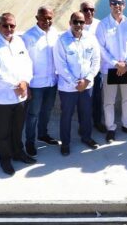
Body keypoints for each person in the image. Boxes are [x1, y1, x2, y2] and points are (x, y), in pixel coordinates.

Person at [0, 12, 36, 175]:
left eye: (12, 26)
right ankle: (5, 160)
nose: (9, 29)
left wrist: (25, 81)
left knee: (17, 129)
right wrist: (15, 85)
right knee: (3, 132)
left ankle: (18, 153)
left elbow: (28, 63)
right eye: (5, 25)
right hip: (1, 99)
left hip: (20, 96)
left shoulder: (18, 41)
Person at [95, 0, 127, 143]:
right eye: (114, 3)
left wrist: (126, 63)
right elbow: (100, 48)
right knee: (109, 101)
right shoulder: (103, 25)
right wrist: (116, 63)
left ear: (124, 5)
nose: (117, 6)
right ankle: (111, 129)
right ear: (110, 5)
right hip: (110, 69)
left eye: (120, 3)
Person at [54, 12, 101, 156]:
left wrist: (87, 80)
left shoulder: (91, 38)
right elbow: (61, 65)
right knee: (66, 115)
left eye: (81, 22)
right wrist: (76, 82)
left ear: (84, 24)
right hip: (68, 88)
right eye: (75, 22)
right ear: (70, 23)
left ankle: (86, 137)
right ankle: (65, 143)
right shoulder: (62, 40)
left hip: (87, 85)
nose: (78, 25)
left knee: (86, 113)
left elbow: (96, 60)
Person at [21, 6, 61, 157]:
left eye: (50, 18)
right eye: (44, 18)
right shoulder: (28, 36)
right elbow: (22, 61)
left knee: (47, 110)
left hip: (51, 82)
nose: (47, 21)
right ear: (37, 18)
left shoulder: (54, 33)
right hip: (35, 84)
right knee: (33, 114)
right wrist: (26, 84)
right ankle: (30, 142)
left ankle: (43, 135)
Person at [80, 1, 106, 134]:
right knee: (83, 100)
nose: (89, 12)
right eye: (85, 10)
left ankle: (97, 122)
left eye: (91, 9)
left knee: (97, 98)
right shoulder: (77, 24)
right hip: (81, 71)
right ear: (81, 11)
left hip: (97, 69)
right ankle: (83, 125)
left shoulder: (100, 24)